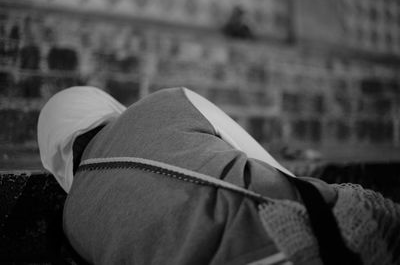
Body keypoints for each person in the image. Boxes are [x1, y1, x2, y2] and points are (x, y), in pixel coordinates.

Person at [38, 86, 399, 265]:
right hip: (293, 239)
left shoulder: (73, 221)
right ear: (104, 106)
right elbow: (273, 169)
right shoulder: (166, 101)